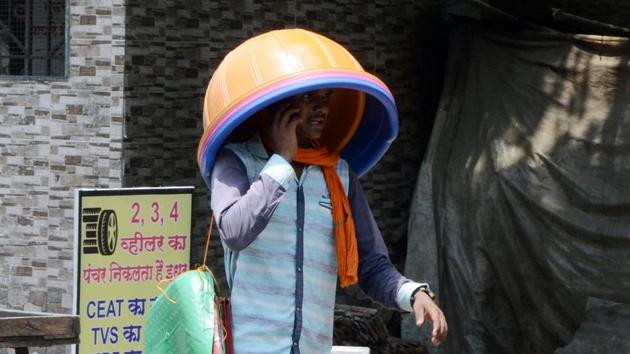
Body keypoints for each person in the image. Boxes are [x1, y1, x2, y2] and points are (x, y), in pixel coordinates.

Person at [210, 89, 447, 353]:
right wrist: (281, 159)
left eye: (326, 98)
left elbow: (372, 266)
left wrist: (414, 294)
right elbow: (234, 231)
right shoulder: (237, 161)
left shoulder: (340, 175)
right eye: (309, 98)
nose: (322, 109)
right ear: (278, 102)